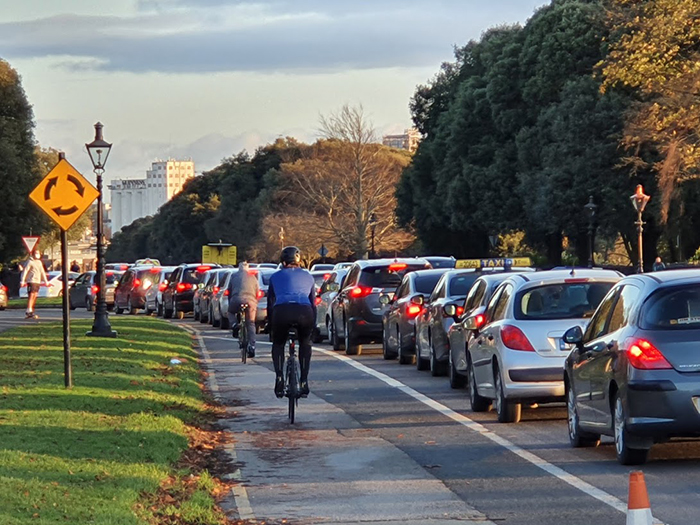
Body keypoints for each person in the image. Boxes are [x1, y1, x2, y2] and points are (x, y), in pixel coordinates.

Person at [267, 246, 316, 398]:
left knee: (279, 344)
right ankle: (304, 381)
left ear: (283, 262)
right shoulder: (309, 276)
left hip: (282, 312)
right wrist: (312, 325)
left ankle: (279, 377)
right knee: (305, 344)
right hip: (304, 312)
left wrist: (270, 324)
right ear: (299, 261)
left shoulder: (275, 277)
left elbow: (270, 303)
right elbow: (313, 303)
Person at [227, 261, 260, 358]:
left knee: (230, 312)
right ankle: (252, 346)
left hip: (236, 299)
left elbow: (230, 290)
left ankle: (234, 325)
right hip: (250, 301)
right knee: (250, 323)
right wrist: (255, 302)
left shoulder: (234, 276)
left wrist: (230, 302)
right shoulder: (253, 277)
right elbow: (257, 291)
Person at [20, 250, 48, 319]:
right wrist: (22, 281)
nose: (37, 254)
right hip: (31, 280)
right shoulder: (30, 262)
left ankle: (31, 309)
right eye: (36, 253)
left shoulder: (39, 262)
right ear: (33, 254)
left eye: (38, 253)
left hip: (37, 281)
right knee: (31, 294)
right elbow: (25, 271)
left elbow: (42, 272)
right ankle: (29, 309)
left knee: (35, 295)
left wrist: (46, 281)